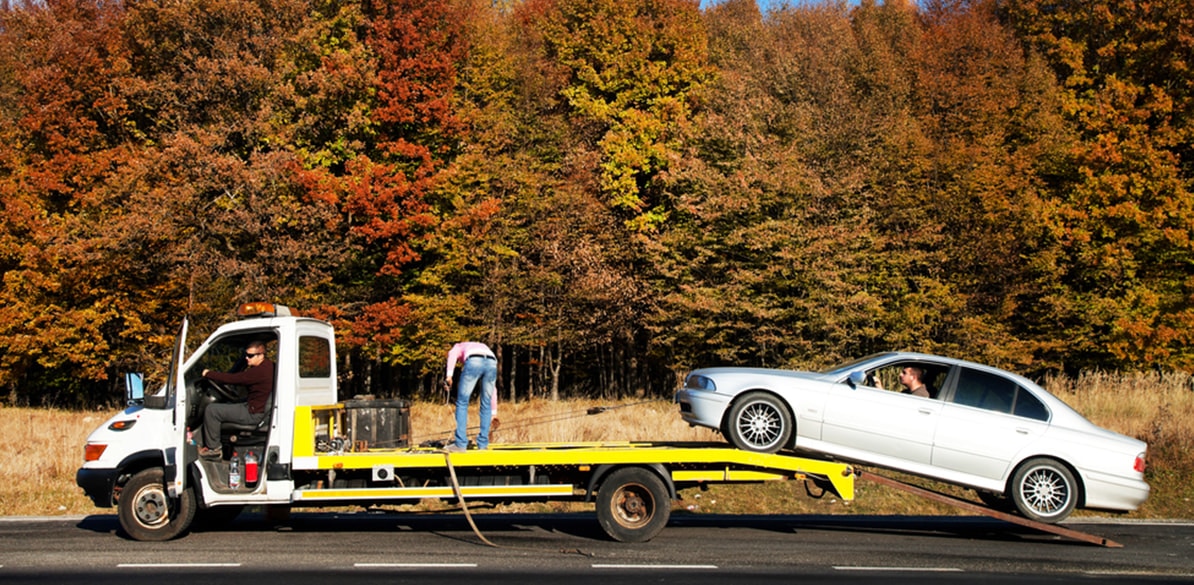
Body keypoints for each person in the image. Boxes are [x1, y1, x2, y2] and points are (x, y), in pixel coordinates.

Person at [197, 341, 275, 460]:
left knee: (212, 410)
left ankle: (214, 450)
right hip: (257, 408)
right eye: (246, 355)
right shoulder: (269, 366)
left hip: (253, 413)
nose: (246, 358)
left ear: (261, 355)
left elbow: (233, 379)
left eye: (250, 356)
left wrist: (208, 373)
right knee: (227, 406)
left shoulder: (259, 372)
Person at [444, 341, 498, 452]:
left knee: (462, 402)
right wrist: (494, 413)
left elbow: (452, 354)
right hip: (492, 362)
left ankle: (460, 444)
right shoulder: (483, 346)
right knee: (486, 402)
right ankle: (483, 445)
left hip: (474, 361)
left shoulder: (458, 346)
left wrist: (449, 376)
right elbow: (493, 390)